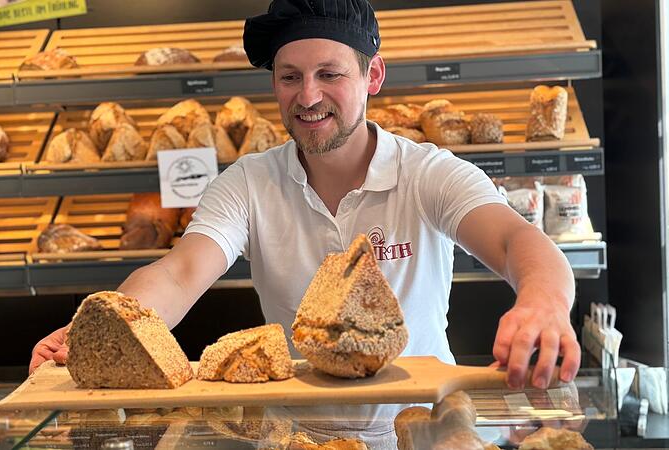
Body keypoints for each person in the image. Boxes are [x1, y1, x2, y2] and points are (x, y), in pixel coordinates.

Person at [31, 0, 579, 412]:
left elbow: (515, 240)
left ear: (373, 76)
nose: (308, 96)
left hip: (422, 427)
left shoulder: (426, 173)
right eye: (290, 77)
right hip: (300, 432)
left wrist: (545, 302)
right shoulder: (250, 183)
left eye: (329, 75)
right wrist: (106, 326)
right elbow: (179, 273)